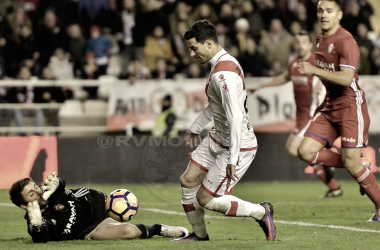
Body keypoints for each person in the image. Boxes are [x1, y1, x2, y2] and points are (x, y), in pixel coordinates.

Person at [173, 20, 276, 242]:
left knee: (206, 199)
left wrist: (232, 157)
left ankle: (261, 212)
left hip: (236, 145)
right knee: (188, 180)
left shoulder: (223, 74)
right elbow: (217, 106)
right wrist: (196, 127)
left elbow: (235, 115)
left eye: (194, 48)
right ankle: (199, 235)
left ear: (208, 43)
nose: (191, 54)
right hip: (217, 138)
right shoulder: (224, 63)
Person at [296, 0, 380, 221]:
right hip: (331, 104)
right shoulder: (320, 39)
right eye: (320, 11)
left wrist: (313, 69)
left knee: (349, 161)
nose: (324, 15)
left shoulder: (346, 41)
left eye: (329, 11)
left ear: (339, 15)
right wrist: (323, 105)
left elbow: (346, 78)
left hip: (350, 105)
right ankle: (359, 166)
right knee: (304, 151)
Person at [250, 30, 343, 198]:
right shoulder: (294, 63)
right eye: (297, 42)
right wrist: (262, 87)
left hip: (313, 114)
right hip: (301, 116)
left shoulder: (316, 61)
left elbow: (334, 75)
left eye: (303, 42)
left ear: (310, 45)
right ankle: (333, 186)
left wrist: (324, 86)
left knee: (294, 149)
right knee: (299, 152)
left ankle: (328, 160)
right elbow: (285, 77)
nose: (300, 45)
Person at [9, 172, 189, 243]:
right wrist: (38, 227)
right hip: (91, 228)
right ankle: (158, 229)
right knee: (129, 232)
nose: (38, 192)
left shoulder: (51, 191)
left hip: (97, 203)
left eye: (35, 187)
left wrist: (58, 184)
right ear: (24, 205)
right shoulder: (36, 220)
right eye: (31, 194)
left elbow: (60, 183)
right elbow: (41, 236)